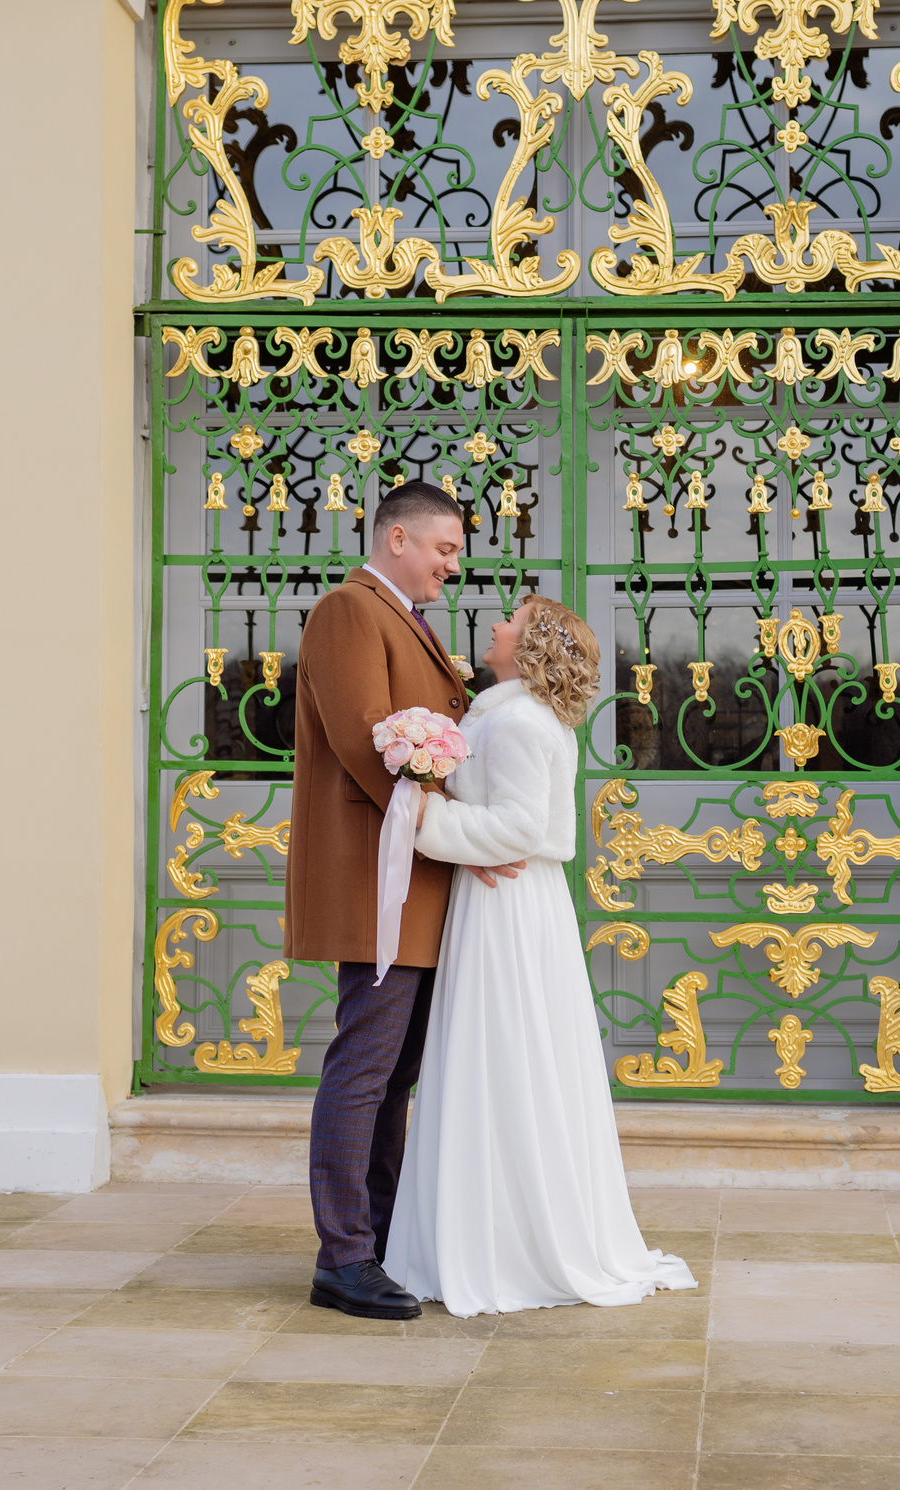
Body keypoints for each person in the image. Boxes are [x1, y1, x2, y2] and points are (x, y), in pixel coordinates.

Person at [384, 593, 697, 1317]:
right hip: (499, 902)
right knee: (494, 1058)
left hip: (510, 910)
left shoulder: (520, 722)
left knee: (503, 1055)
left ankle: (508, 1244)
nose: (494, 625)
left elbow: (521, 827)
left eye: (510, 620)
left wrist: (427, 816)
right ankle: (482, 1230)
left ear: (528, 647)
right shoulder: (504, 715)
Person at [286, 481, 523, 1322]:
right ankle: (342, 1257)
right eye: (444, 549)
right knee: (365, 1067)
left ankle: (376, 1241)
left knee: (394, 1075)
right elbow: (366, 743)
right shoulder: (349, 611)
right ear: (396, 539)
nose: (452, 566)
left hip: (420, 880)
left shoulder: (408, 620)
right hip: (376, 878)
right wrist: (464, 832)